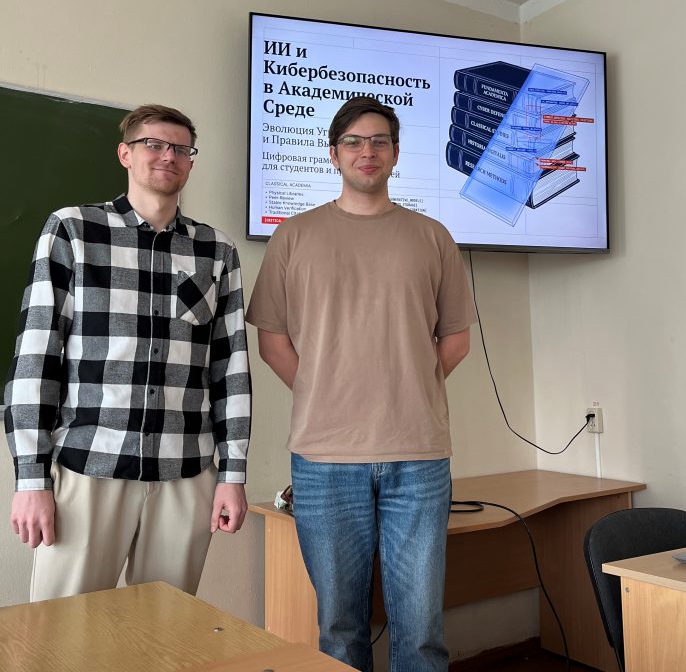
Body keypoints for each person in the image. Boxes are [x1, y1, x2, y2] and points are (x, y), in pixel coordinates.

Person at [246, 97, 475, 672]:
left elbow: (455, 340)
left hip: (418, 457)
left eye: (378, 141)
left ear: (395, 154)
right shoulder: (294, 236)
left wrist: (407, 388)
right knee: (340, 628)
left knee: (421, 631)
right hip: (323, 460)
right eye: (353, 141)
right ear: (333, 154)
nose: (366, 151)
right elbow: (272, 340)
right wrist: (324, 391)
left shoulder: (433, 236)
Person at [5, 104, 251, 601]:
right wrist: (31, 480)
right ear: (125, 154)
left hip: (185, 473)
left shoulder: (216, 251)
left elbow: (231, 370)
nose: (168, 156)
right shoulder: (73, 230)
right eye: (153, 144)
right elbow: (36, 355)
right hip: (89, 467)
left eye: (181, 149)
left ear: (190, 161)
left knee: (165, 631)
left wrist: (233, 474)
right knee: (63, 630)